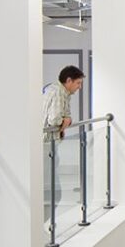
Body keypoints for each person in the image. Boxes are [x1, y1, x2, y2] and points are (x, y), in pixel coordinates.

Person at [42, 66, 84, 213]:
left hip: (49, 144)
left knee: (50, 192)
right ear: (68, 80)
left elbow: (66, 116)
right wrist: (65, 120)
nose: (80, 87)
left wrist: (68, 119)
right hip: (47, 144)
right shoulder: (59, 92)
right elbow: (55, 120)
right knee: (53, 194)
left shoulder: (57, 90)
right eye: (78, 83)